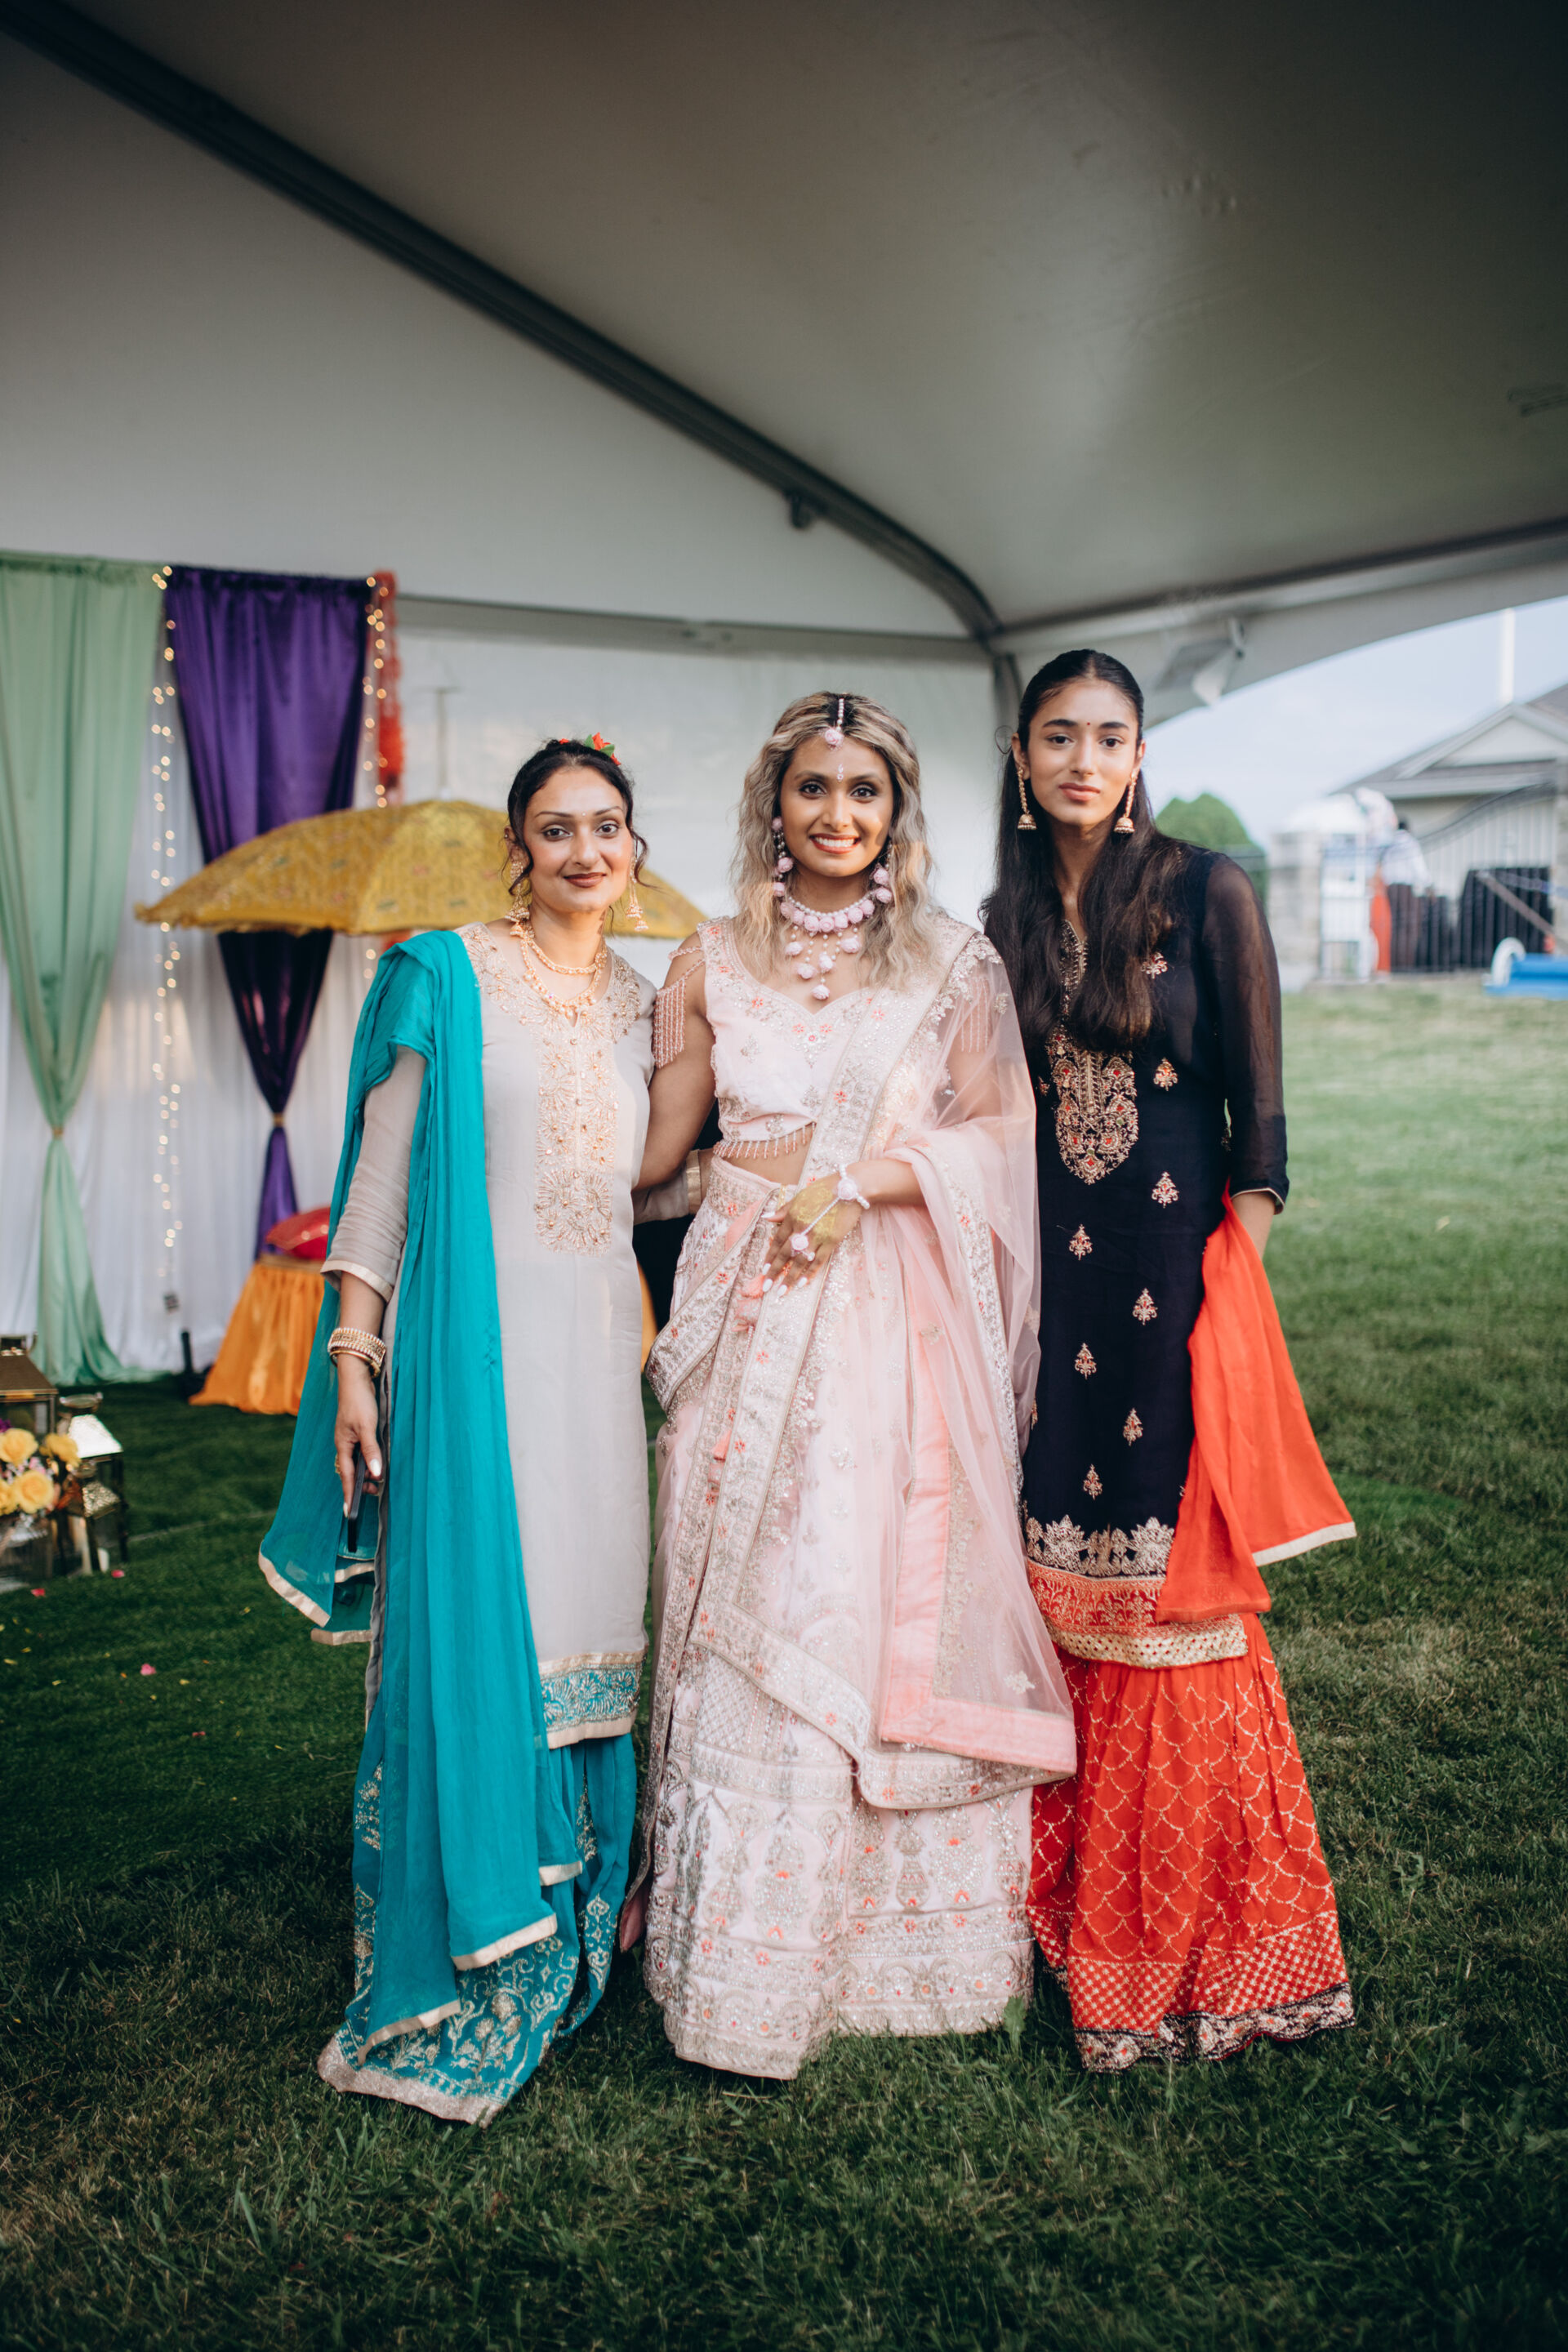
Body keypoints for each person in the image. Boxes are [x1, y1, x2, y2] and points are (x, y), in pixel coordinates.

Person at [617, 690, 1075, 2078]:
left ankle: (878, 1943)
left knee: (844, 1578)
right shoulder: (707, 956)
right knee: (727, 1579)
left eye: (862, 791)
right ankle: (727, 1947)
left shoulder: (949, 963)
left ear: (896, 811)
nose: (836, 814)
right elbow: (656, 1153)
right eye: (812, 788)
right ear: (775, 802)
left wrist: (865, 1181)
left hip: (881, 1311)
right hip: (740, 1299)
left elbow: (1003, 1140)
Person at [260, 736, 659, 2123]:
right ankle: (476, 1938)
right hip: (475, 1366)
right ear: (518, 849)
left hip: (601, 1364)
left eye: (606, 826)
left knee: (589, 1628)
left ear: (635, 848)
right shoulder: (445, 976)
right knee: (492, 1620)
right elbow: (378, 1183)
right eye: (556, 828)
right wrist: (354, 1357)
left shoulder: (655, 1006)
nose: (584, 851)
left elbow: (666, 1190)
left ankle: (577, 1916)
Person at [985, 648, 1355, 2072]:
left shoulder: (1207, 892)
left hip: (1178, 1286)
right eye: (1058, 736)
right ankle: (1061, 1905)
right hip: (1056, 1292)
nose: (1084, 760)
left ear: (1140, 755)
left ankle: (1206, 1935)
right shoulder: (1003, 918)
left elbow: (1261, 1134)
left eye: (1110, 736)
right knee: (1058, 1576)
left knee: (1173, 1591)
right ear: (1022, 758)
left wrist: (1225, 1295)